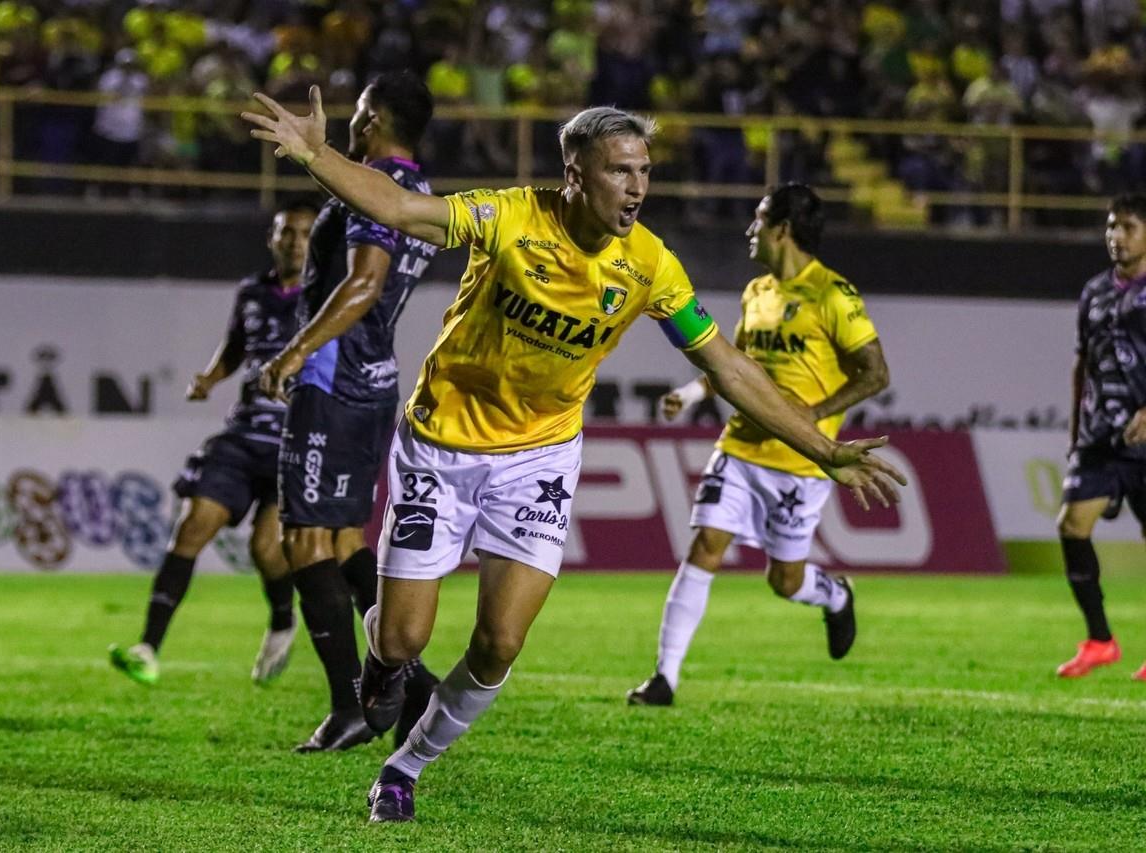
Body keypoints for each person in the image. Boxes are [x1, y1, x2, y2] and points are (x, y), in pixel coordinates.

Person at [242, 91, 905, 823]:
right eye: (620, 170)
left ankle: (406, 766)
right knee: (401, 636)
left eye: (644, 170)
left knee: (499, 643)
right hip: (442, 446)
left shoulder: (651, 264)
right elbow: (402, 210)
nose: (637, 186)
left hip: (539, 459)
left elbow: (726, 366)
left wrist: (824, 446)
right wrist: (314, 154)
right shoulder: (511, 217)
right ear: (575, 173)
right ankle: (385, 669)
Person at [627, 183, 891, 707]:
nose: (750, 230)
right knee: (704, 547)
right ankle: (665, 678)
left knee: (785, 581)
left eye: (758, 220)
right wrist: (690, 391)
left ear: (783, 230)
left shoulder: (833, 294)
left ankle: (835, 595)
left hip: (803, 461)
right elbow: (734, 368)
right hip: (741, 449)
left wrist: (811, 417)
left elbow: (876, 372)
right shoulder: (757, 293)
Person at [256, 71, 440, 753]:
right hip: (377, 379)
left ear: (377, 119)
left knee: (301, 540)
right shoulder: (418, 194)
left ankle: (350, 705)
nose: (353, 124)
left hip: (333, 378)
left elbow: (363, 281)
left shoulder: (376, 190)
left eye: (361, 113)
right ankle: (416, 687)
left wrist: (295, 351)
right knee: (342, 542)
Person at [108, 203, 316, 687]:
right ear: (273, 238)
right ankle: (148, 647)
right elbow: (237, 347)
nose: (295, 243)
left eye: (305, 235)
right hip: (243, 434)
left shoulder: (327, 296)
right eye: (288, 233)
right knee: (192, 525)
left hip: (297, 438)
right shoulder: (251, 291)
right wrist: (211, 377)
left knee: (268, 549)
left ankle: (283, 620)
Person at [1054, 193, 1146, 681]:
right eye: (1112, 227)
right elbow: (1081, 363)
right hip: (1100, 436)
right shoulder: (1094, 292)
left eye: (1128, 227)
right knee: (1071, 525)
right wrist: (1075, 431)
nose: (1116, 237)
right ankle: (1099, 640)